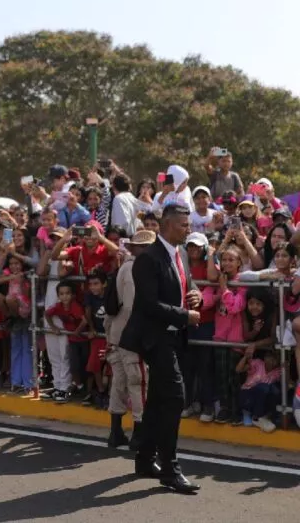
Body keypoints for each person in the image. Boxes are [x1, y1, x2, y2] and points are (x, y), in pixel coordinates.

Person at [120, 204, 202, 494]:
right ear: (167, 225)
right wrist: (184, 316)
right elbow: (149, 305)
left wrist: (195, 296)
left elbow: (186, 286)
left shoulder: (180, 254)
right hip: (155, 339)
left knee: (157, 400)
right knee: (175, 398)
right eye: (183, 225)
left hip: (175, 337)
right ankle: (170, 469)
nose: (188, 229)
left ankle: (144, 460)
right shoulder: (147, 259)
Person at [104, 229, 155, 450]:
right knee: (139, 383)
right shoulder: (139, 270)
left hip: (117, 332)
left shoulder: (123, 268)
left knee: (120, 382)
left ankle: (116, 431)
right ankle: (138, 433)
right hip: (134, 334)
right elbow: (137, 306)